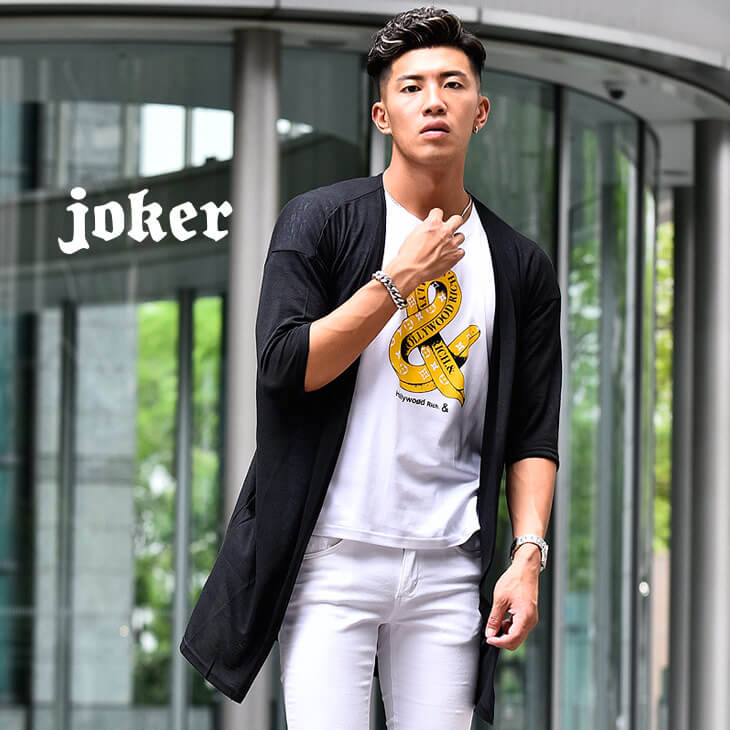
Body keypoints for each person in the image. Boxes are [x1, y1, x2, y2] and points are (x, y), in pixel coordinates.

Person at [180, 6, 561, 729]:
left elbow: (532, 432)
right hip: (332, 558)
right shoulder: (321, 221)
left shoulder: (520, 265)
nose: (433, 101)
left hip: (450, 566)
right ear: (383, 115)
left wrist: (528, 555)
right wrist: (399, 281)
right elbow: (285, 366)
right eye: (412, 87)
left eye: (452, 84)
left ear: (480, 112)